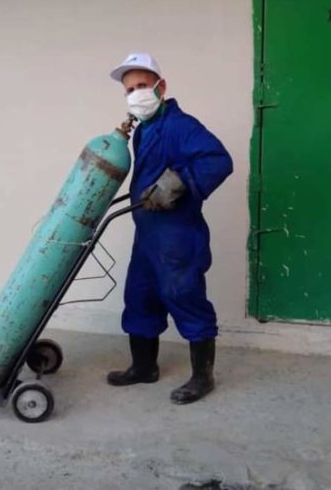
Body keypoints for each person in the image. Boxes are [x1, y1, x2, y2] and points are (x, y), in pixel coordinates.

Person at [107, 52, 233, 405]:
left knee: (184, 296)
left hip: (177, 234)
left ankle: (202, 377)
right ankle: (144, 367)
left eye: (142, 85)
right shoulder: (143, 131)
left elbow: (218, 160)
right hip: (147, 234)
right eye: (129, 89)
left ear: (161, 87)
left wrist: (181, 181)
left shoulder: (181, 125)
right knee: (139, 296)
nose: (135, 94)